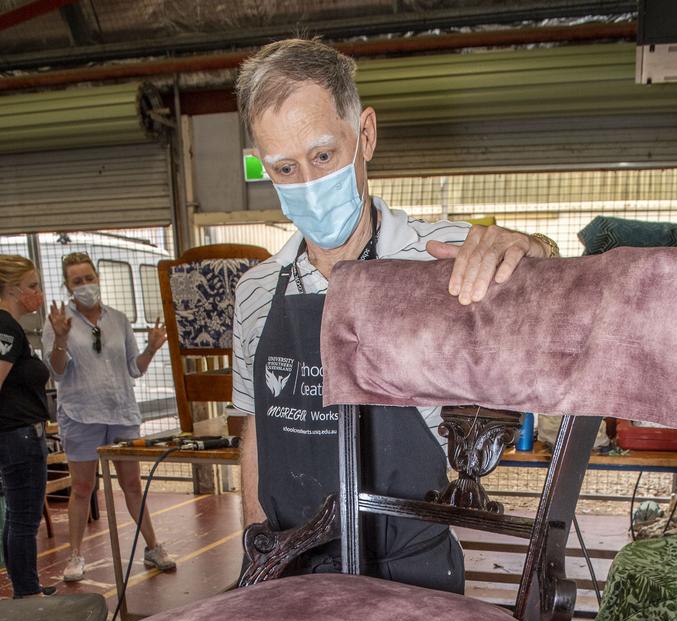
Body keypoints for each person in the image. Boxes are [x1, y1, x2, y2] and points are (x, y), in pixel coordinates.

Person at [232, 38, 559, 592]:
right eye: (284, 167)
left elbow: (553, 297)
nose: (308, 183)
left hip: (413, 570)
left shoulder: (445, 259)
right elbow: (255, 432)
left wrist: (529, 251)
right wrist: (256, 559)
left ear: (365, 134)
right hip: (293, 569)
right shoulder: (257, 291)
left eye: (323, 156)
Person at [42, 251, 176, 582]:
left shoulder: (118, 320)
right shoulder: (58, 324)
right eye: (77, 281)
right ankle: (75, 555)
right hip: (81, 414)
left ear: (98, 279)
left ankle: (153, 546)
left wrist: (152, 349)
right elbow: (57, 371)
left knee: (132, 483)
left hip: (120, 412)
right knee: (83, 487)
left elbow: (135, 368)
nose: (85, 285)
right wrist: (60, 339)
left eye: (89, 278)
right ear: (67, 286)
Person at [0, 254, 56, 598]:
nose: (37, 293)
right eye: (31, 286)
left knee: (17, 518)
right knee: (23, 520)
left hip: (15, 434)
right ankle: (26, 594)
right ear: (11, 288)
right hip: (18, 435)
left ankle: (27, 586)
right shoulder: (7, 327)